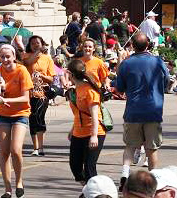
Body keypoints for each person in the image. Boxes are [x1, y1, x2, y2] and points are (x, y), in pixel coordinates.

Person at [115, 31, 169, 187]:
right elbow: (166, 81)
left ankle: (125, 175)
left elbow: (119, 88)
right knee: (152, 148)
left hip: (133, 110)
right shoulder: (158, 61)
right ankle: (153, 180)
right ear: (148, 45)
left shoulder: (126, 63)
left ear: (132, 46)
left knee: (130, 146)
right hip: (153, 109)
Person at [0, 43, 33, 198]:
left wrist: (8, 100)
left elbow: (25, 98)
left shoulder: (22, 71)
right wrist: (0, 87)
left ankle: (19, 181)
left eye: (8, 56)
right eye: (2, 57)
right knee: (4, 152)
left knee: (16, 150)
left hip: (20, 113)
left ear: (14, 57)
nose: (5, 60)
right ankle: (7, 188)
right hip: (2, 114)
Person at [67, 58, 107, 187]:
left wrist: (94, 136)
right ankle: (87, 188)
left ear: (71, 74)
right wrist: (72, 129)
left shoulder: (90, 90)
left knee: (89, 167)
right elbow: (78, 112)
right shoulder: (75, 90)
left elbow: (95, 115)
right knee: (75, 165)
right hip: (78, 132)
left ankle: (94, 191)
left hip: (94, 132)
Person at [21, 35, 55, 157]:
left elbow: (51, 78)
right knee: (32, 118)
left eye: (38, 43)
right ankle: (35, 147)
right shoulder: (26, 56)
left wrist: (41, 76)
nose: (35, 45)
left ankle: (41, 147)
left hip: (42, 92)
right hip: (28, 91)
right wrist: (37, 52)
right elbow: (27, 63)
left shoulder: (48, 59)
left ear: (42, 43)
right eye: (33, 43)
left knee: (39, 116)